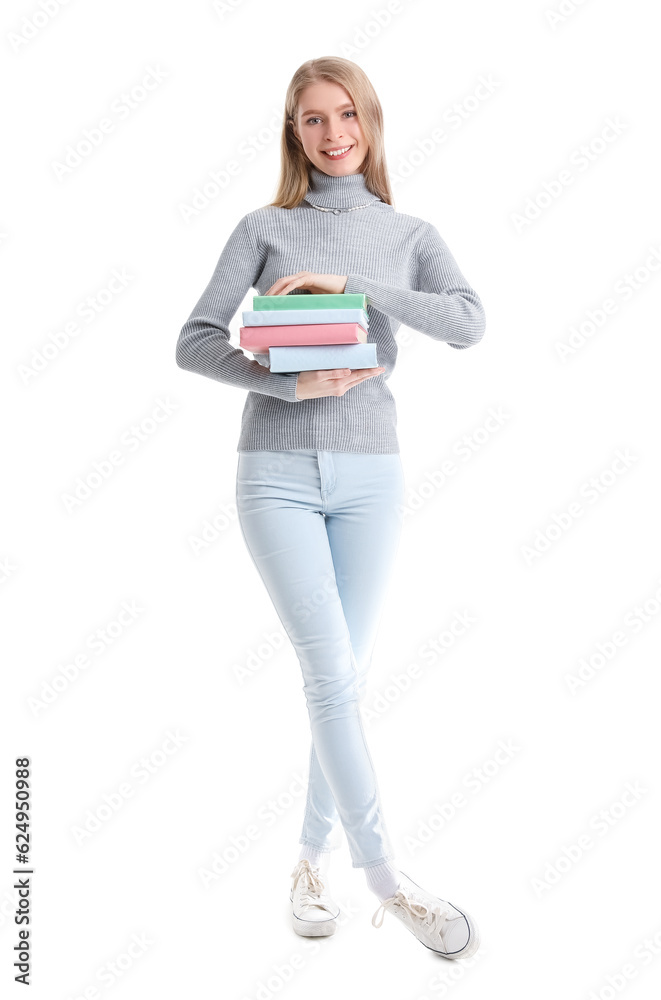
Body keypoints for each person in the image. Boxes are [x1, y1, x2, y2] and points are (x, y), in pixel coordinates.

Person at [176, 56, 485, 959]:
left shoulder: (409, 232)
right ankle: (388, 880)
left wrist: (351, 293)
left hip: (370, 476)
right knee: (328, 673)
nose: (331, 133)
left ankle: (308, 859)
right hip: (272, 471)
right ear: (292, 132)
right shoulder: (261, 225)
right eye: (311, 119)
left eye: (344, 114)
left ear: (370, 122)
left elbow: (467, 321)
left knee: (342, 678)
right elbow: (193, 340)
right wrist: (290, 384)